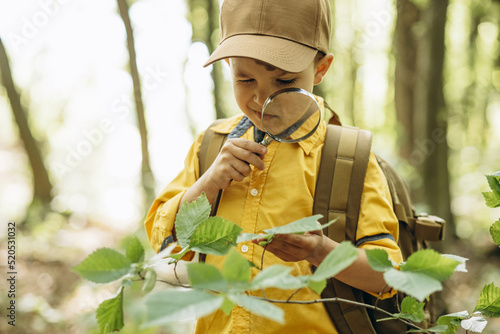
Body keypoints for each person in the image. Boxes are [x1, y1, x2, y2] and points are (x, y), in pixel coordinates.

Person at [144, 0, 403, 333]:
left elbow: (390, 277)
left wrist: (321, 251)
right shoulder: (211, 145)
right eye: (245, 79)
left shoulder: (347, 160)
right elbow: (164, 240)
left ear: (321, 68)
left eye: (284, 82)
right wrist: (209, 184)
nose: (261, 99)